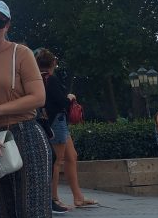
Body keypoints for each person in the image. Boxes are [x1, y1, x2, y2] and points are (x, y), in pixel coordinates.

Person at [0, 0, 51, 218]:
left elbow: (38, 97)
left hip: (26, 133)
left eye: (0, 22)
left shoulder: (21, 53)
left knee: (34, 209)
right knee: (0, 210)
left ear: (8, 25)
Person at [35, 49, 97, 210]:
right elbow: (60, 102)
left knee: (71, 155)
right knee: (57, 161)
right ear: (53, 63)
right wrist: (69, 98)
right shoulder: (51, 80)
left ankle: (78, 197)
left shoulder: (37, 79)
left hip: (51, 121)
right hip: (57, 121)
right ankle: (53, 199)